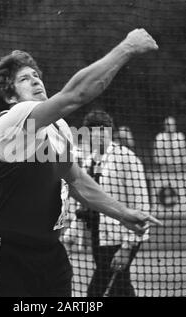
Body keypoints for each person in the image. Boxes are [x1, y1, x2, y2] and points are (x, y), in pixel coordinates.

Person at [0, 28, 162, 297]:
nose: (35, 80)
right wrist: (127, 48)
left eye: (36, 75)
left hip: (51, 253)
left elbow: (77, 181)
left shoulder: (59, 128)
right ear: (10, 96)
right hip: (9, 253)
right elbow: (77, 94)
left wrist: (122, 213)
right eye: (24, 79)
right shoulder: (12, 119)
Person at [67, 110, 150, 297]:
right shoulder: (88, 163)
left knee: (98, 289)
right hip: (99, 236)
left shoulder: (126, 158)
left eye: (104, 129)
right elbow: (84, 203)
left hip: (122, 236)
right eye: (95, 130)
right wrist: (72, 232)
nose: (100, 134)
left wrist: (127, 247)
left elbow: (141, 204)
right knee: (120, 288)